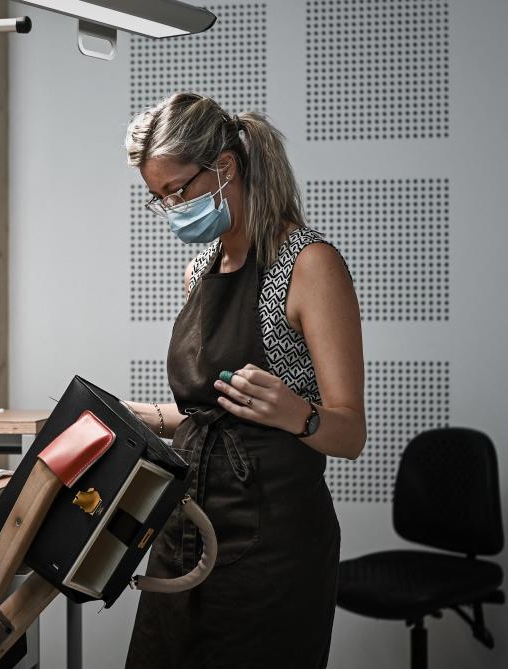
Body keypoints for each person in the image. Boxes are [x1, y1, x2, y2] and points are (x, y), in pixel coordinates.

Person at [119, 92, 366, 667]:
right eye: (158, 199)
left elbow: (350, 434)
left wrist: (296, 413)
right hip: (186, 528)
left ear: (224, 168)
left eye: (177, 191)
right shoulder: (199, 271)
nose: (171, 208)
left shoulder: (308, 265)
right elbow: (222, 415)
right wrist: (140, 416)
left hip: (272, 550)